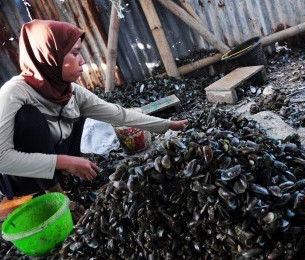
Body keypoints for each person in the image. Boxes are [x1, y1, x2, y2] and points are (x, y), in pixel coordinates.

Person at [0, 19, 188, 220]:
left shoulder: (70, 91)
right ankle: (57, 195)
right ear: (50, 56)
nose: (82, 61)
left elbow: (119, 114)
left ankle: (64, 177)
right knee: (29, 118)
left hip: (55, 165)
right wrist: (63, 161)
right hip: (21, 179)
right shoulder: (14, 93)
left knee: (75, 109)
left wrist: (167, 125)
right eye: (74, 53)